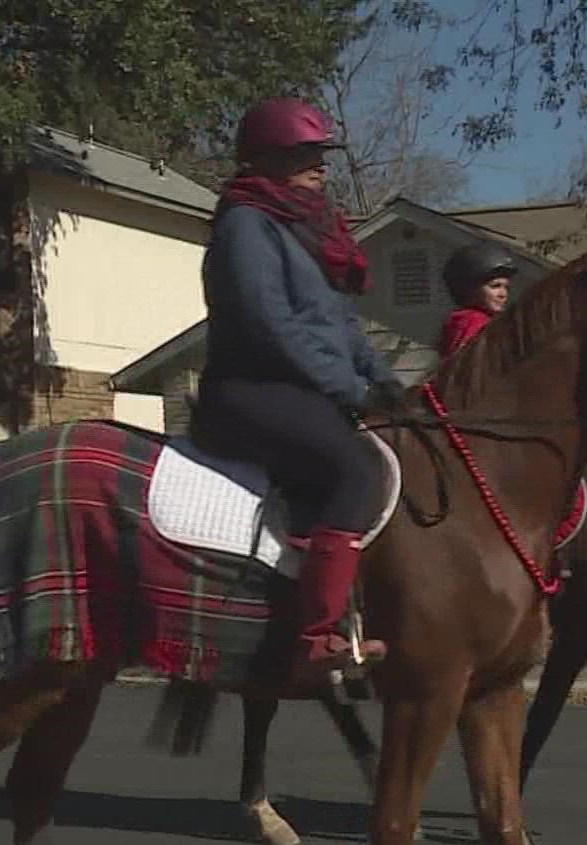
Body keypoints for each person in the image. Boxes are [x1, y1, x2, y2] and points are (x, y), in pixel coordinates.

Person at [193, 98, 403, 688]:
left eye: (321, 154)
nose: (321, 165)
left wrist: (386, 380)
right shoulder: (245, 225)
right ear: (269, 159)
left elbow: (339, 327)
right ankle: (313, 640)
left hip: (302, 389)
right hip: (249, 392)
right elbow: (270, 325)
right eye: (307, 154)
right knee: (355, 472)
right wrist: (351, 389)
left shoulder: (302, 229)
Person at [437, 242, 516, 358]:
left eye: (506, 288)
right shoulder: (473, 320)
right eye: (495, 286)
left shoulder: (486, 320)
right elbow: (464, 364)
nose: (503, 294)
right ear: (469, 289)